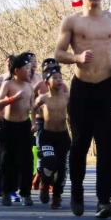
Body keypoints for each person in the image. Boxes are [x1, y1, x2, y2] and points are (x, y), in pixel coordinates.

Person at [55, 0, 111, 219]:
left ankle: (104, 200)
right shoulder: (72, 21)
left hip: (107, 88)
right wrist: (77, 57)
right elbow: (58, 53)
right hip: (82, 88)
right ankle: (76, 189)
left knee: (108, 146)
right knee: (80, 144)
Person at [0, 52, 36, 206]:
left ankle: (26, 193)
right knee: (7, 161)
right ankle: (6, 192)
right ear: (16, 70)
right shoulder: (8, 84)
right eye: (26, 68)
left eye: (31, 68)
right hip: (9, 126)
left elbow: (32, 107)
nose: (29, 71)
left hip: (25, 126)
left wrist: (35, 121)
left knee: (27, 161)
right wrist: (12, 99)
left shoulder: (29, 86)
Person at [32, 66, 71, 209]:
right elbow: (32, 108)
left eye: (60, 78)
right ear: (47, 82)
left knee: (61, 168)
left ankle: (56, 196)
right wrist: (34, 122)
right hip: (47, 136)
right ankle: (45, 183)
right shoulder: (43, 98)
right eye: (55, 78)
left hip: (63, 136)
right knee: (49, 161)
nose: (59, 80)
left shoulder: (67, 96)